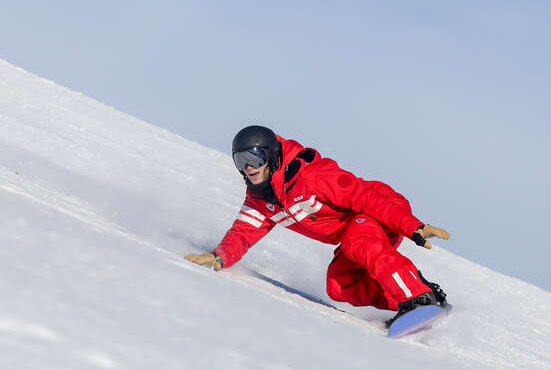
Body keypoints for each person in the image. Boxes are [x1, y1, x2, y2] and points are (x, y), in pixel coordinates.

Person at [185, 125, 451, 325]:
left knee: (357, 241)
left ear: (271, 154)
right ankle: (427, 298)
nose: (249, 168)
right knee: (339, 286)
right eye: (240, 161)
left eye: (255, 158)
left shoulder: (311, 176)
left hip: (380, 208)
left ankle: (418, 299)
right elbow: (243, 232)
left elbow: (364, 196)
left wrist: (412, 226)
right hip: (353, 229)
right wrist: (219, 257)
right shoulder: (260, 199)